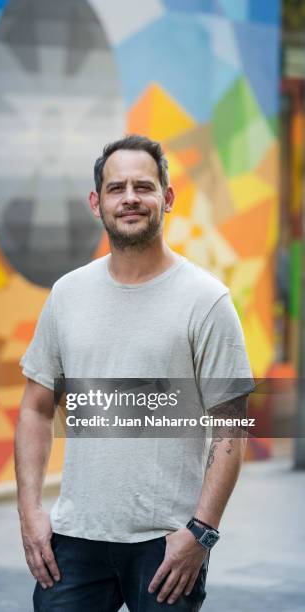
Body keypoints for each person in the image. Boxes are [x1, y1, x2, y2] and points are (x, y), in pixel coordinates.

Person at [15, 135, 254, 611]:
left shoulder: (206, 300)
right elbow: (36, 408)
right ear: (96, 201)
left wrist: (201, 534)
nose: (129, 198)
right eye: (115, 187)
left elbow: (231, 425)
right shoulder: (67, 295)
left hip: (167, 545)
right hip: (75, 540)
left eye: (143, 186)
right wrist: (30, 511)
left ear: (167, 197)